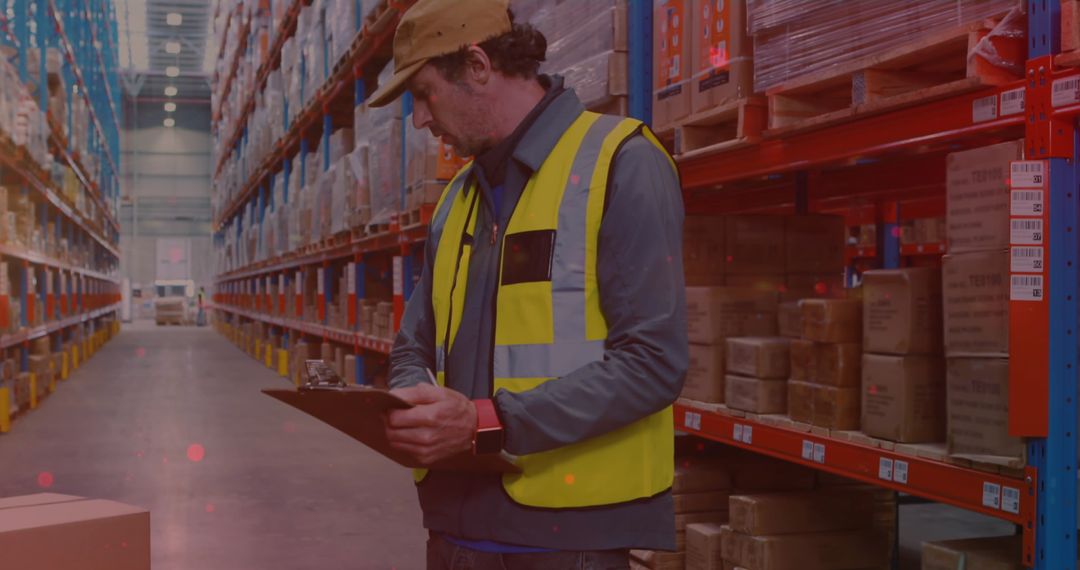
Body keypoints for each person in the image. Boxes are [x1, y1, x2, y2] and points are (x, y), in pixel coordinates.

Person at [371, 0, 687, 567]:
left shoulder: (622, 163)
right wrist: (414, 402)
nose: (419, 119)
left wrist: (485, 422)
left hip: (566, 541)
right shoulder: (455, 202)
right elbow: (415, 342)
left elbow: (653, 362)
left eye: (422, 93)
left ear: (476, 66)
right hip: (452, 533)